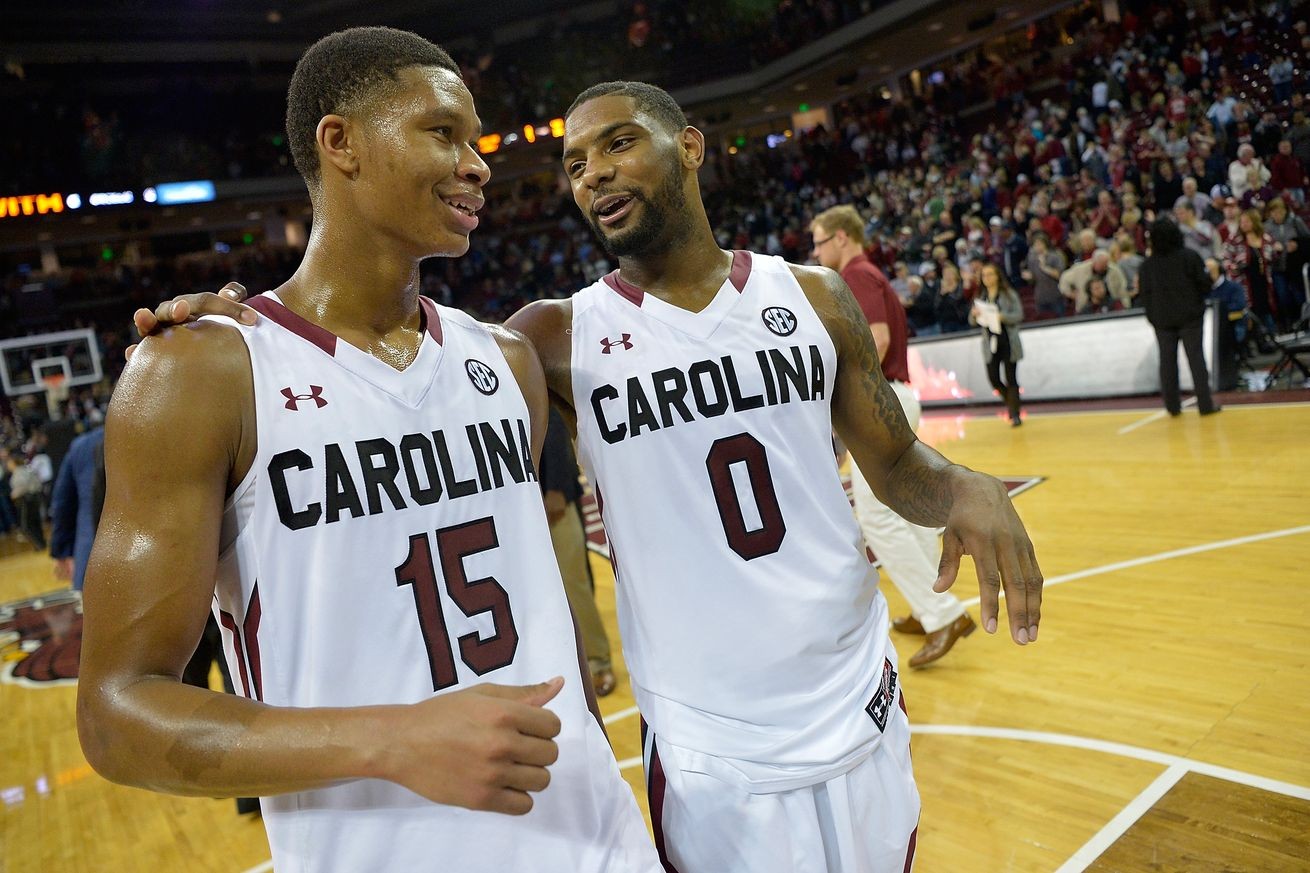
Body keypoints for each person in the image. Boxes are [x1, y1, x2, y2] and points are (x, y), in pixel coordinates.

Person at [144, 80, 1045, 873]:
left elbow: (895, 461)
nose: (595, 174)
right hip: (710, 742)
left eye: (618, 144)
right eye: (575, 163)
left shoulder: (809, 296)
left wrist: (959, 485)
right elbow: (373, 361)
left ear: (687, 147)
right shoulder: (547, 340)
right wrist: (236, 326)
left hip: (859, 696)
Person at [76, 28, 659, 873]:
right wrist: (391, 738)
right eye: (443, 132)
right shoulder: (200, 372)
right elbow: (114, 712)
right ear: (339, 142)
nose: (479, 163)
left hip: (595, 841)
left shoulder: (509, 361)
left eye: (477, 139)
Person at [811, 204, 976, 670]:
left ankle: (941, 614)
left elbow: (876, 340)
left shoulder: (858, 276)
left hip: (880, 399)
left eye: (820, 241)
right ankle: (935, 608)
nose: (816, 252)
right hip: (895, 397)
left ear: (842, 237)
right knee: (900, 514)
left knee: (879, 519)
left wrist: (840, 396)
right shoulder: (870, 274)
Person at [540, 406, 615, 696]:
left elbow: (553, 424)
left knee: (574, 584)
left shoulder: (518, 368)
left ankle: (598, 663)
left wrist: (557, 488)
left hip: (553, 501)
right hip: (520, 507)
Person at [1138, 218, 1221, 417]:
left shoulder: (1147, 265)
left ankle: (1172, 406)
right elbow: (1205, 284)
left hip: (1162, 319)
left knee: (1167, 362)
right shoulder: (1190, 257)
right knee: (1196, 359)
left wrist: (1153, 316)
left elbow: (1144, 294)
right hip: (1190, 316)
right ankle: (1205, 404)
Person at [48, 425, 104, 590]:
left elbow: (62, 503)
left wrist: (62, 551)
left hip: (90, 554)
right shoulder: (158, 433)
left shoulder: (82, 445)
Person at [971, 263, 1025, 426]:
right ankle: (1011, 403)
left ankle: (1015, 414)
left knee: (1011, 377)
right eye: (984, 275)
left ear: (997, 276)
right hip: (990, 342)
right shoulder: (981, 297)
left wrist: (1003, 317)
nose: (987, 278)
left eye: (990, 274)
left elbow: (1018, 315)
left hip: (1007, 340)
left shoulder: (1008, 294)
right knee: (993, 378)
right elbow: (972, 320)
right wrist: (974, 315)